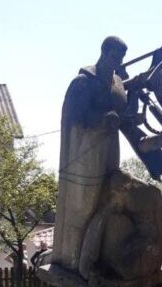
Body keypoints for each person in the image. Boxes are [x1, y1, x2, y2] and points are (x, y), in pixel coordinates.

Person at [52, 36, 128, 273]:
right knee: (84, 204)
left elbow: (121, 112)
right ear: (104, 52)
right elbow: (75, 118)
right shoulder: (83, 82)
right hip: (86, 154)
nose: (116, 62)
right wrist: (102, 120)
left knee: (108, 198)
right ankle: (74, 259)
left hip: (110, 149)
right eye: (114, 56)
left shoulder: (118, 84)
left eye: (120, 58)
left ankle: (99, 257)